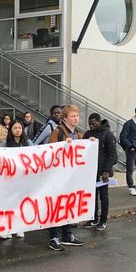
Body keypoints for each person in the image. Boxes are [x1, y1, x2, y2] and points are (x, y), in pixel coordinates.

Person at [47, 105, 85, 251]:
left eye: (77, 116)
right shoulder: (58, 132)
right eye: (73, 116)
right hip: (57, 177)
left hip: (71, 177)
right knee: (56, 206)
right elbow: (50, 151)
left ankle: (67, 234)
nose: (76, 118)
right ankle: (54, 237)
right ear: (65, 118)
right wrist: (62, 145)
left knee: (67, 205)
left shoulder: (79, 134)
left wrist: (90, 142)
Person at [0, 120, 33, 238]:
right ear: (11, 130)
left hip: (23, 179)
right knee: (8, 204)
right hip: (9, 179)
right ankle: (6, 228)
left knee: (20, 204)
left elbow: (36, 155)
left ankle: (19, 227)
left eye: (20, 128)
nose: (18, 130)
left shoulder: (28, 142)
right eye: (15, 128)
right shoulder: (5, 143)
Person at [83, 113, 117, 231]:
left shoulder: (108, 134)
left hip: (103, 172)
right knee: (92, 196)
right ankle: (94, 218)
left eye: (94, 123)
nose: (92, 126)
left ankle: (103, 220)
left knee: (104, 197)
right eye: (90, 124)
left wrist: (106, 171)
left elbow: (112, 155)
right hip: (91, 172)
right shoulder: (87, 134)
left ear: (99, 121)